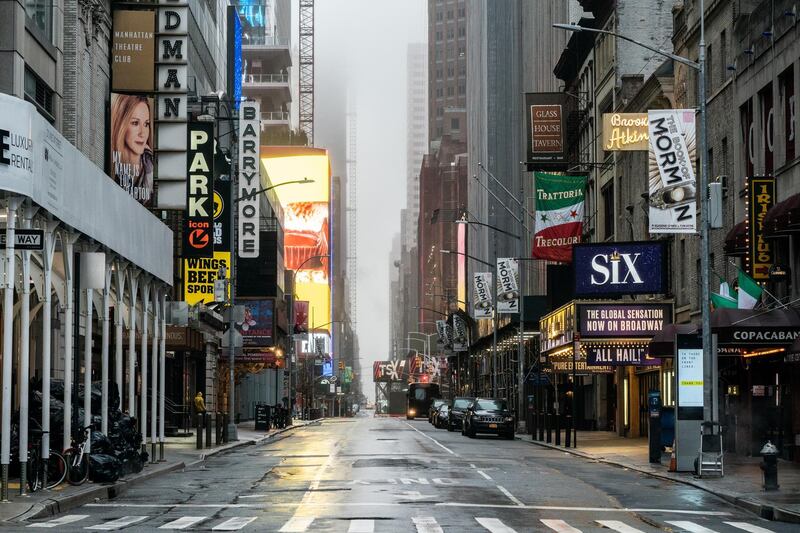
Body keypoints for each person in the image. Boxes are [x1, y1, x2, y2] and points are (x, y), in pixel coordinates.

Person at [110, 94, 154, 206]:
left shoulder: (150, 164)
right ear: (120, 124)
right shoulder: (112, 165)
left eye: (146, 124)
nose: (142, 133)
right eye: (135, 123)